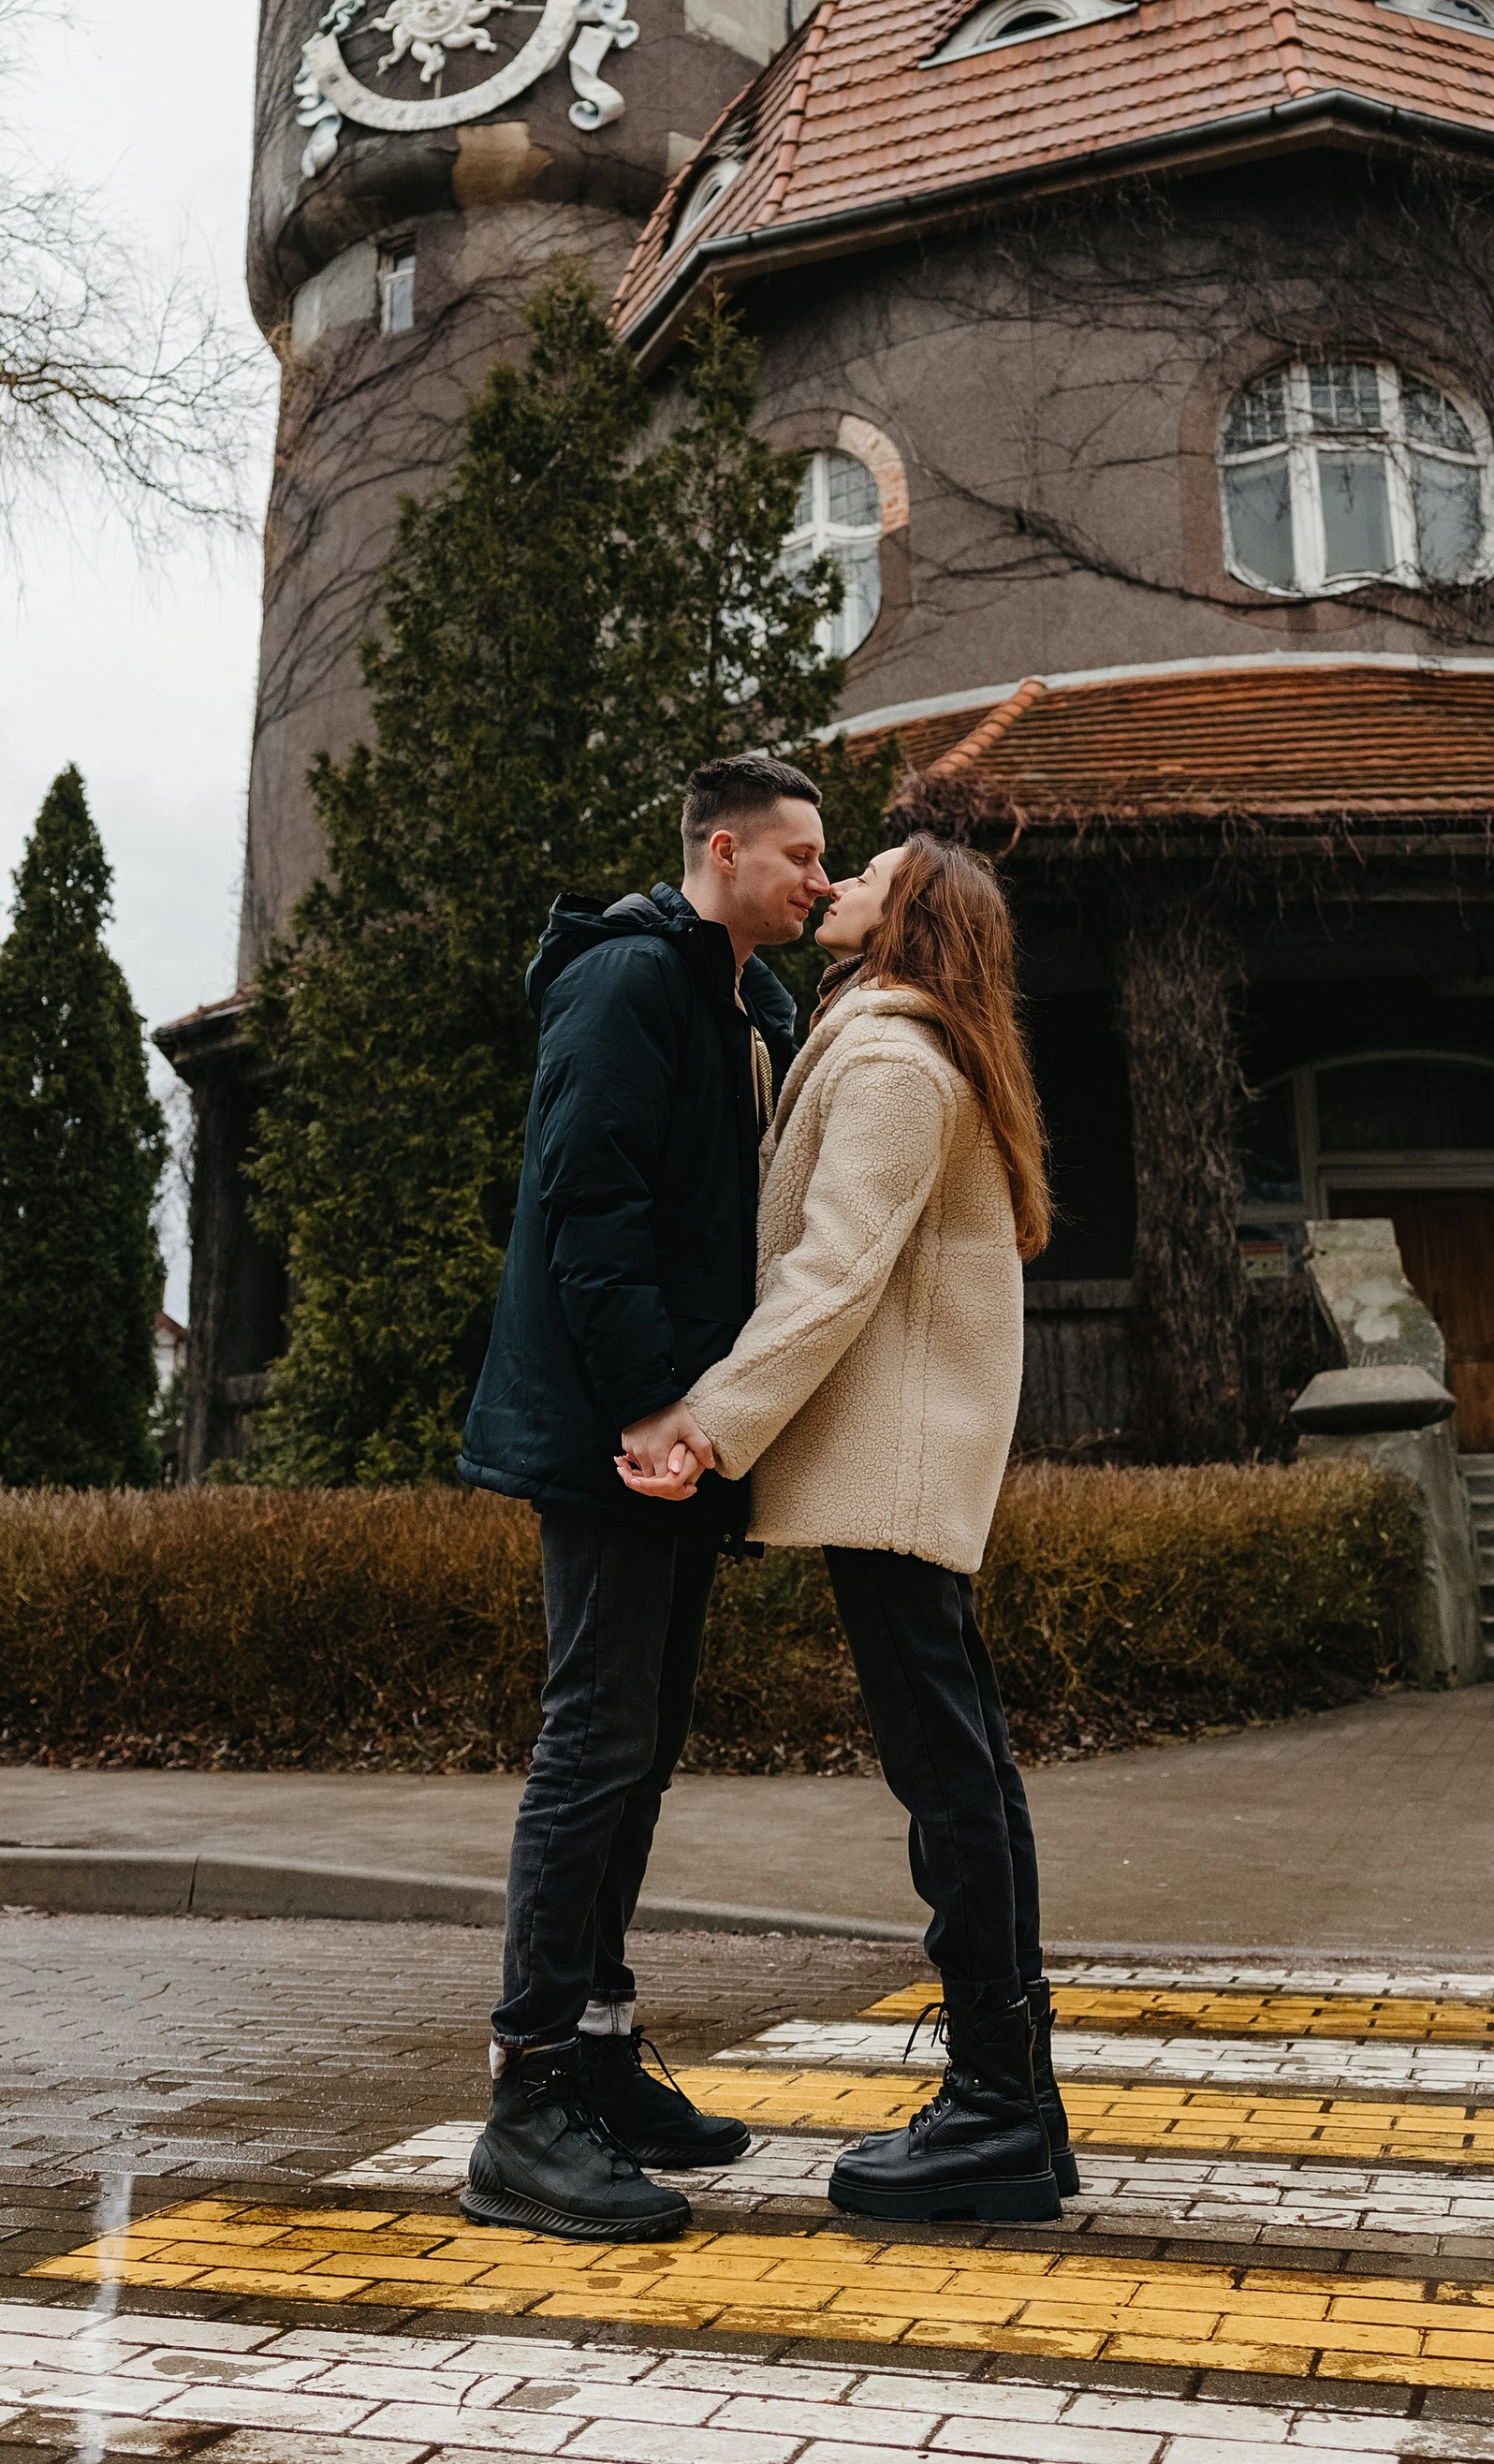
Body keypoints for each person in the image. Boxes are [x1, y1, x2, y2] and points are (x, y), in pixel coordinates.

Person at [621, 831, 1072, 2226]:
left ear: (909, 919)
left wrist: (709, 1420)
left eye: (865, 877)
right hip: (912, 1466)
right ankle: (1017, 2105)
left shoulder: (887, 1060)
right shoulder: (918, 1048)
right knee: (965, 1772)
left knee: (950, 1781)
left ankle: (998, 2110)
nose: (837, 887)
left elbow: (831, 1270)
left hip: (889, 1467)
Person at [455, 752, 829, 2241]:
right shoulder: (627, 984)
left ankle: (599, 2059)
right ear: (722, 850)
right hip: (616, 1430)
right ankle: (527, 2101)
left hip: (681, 1425)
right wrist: (655, 1410)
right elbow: (583, 1211)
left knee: (644, 1738)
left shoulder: (755, 1007)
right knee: (594, 1737)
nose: (818, 876)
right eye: (797, 854)